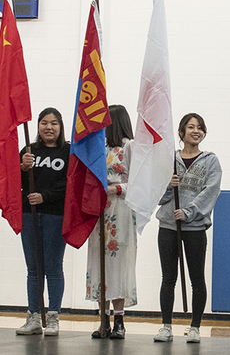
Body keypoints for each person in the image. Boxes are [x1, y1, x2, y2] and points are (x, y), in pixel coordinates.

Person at [153, 113, 222, 343]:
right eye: (191, 127)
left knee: (197, 278)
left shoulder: (210, 160)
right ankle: (166, 326)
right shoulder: (169, 160)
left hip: (194, 228)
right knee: (168, 278)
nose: (196, 131)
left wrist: (189, 212)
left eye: (200, 127)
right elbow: (158, 196)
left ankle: (195, 327)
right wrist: (167, 185)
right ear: (181, 132)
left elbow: (210, 192)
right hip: (168, 226)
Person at [16, 107, 70, 336]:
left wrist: (45, 196)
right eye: (44, 123)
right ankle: (34, 316)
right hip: (29, 215)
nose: (49, 127)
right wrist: (22, 167)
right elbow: (14, 183)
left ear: (60, 126)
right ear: (38, 126)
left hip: (55, 215)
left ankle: (54, 317)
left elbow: (69, 183)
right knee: (33, 269)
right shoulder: (28, 151)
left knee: (53, 268)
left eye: (54, 123)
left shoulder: (68, 151)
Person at [86, 104, 137, 339]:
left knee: (118, 264)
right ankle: (102, 319)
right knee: (99, 262)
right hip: (98, 210)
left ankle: (119, 320)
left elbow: (138, 182)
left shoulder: (129, 146)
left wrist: (116, 188)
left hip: (120, 208)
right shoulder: (98, 147)